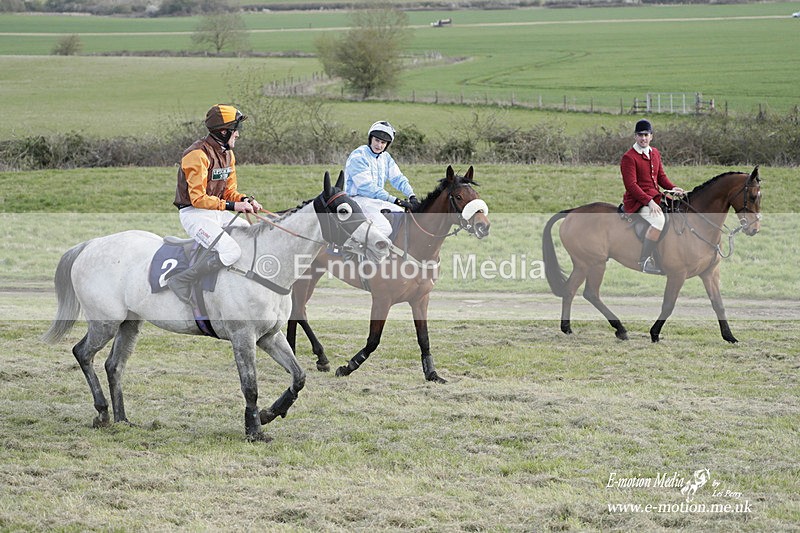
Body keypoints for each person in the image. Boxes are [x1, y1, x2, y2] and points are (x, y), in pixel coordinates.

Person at [168, 104, 263, 304]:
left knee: (251, 238)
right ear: (223, 131)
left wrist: (244, 200)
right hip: (195, 214)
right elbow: (198, 199)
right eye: (235, 130)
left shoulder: (228, 153)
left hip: (217, 212)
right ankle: (181, 280)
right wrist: (232, 206)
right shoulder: (196, 154)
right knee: (232, 251)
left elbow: (229, 192)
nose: (238, 134)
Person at [621, 119, 684, 275]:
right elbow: (631, 185)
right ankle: (644, 260)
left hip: (655, 196)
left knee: (677, 211)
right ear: (635, 136)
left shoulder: (654, 152)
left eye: (646, 135)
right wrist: (648, 202)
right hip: (636, 201)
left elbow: (661, 177)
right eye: (640, 135)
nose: (643, 138)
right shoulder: (629, 157)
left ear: (651, 136)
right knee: (659, 220)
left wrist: (672, 188)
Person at [344, 120, 418, 238]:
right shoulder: (358, 156)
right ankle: (357, 253)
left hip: (375, 201)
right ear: (370, 139)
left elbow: (398, 178)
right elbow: (366, 187)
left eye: (383, 142)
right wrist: (394, 200)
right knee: (384, 228)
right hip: (357, 200)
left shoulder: (385, 157)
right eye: (377, 140)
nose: (379, 145)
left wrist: (411, 195)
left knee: (401, 215)